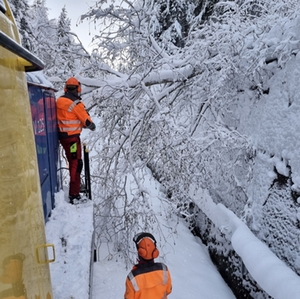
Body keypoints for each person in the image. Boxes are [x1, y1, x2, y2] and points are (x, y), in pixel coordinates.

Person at [56, 77, 96, 204]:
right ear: (78, 89)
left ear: (65, 88)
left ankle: (75, 189)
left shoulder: (59, 101)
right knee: (76, 164)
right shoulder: (76, 104)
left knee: (73, 162)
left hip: (62, 138)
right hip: (72, 140)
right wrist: (91, 126)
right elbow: (87, 122)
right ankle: (74, 194)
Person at [124, 232, 172, 299]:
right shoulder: (164, 269)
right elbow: (168, 290)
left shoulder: (132, 277)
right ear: (155, 252)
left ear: (140, 252)